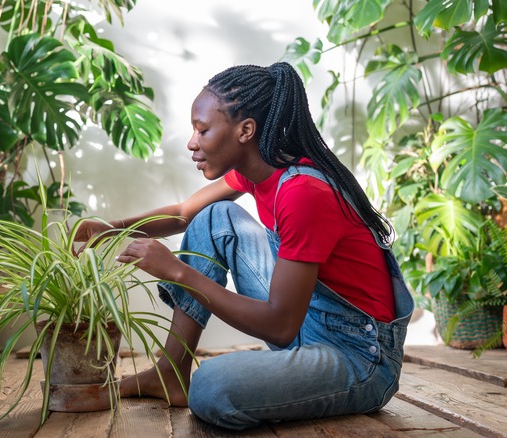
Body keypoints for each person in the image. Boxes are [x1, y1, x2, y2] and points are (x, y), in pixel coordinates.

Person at [74, 62, 414, 430]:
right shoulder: (258, 170)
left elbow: (280, 327)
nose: (192, 143)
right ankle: (170, 372)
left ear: (245, 131)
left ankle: (191, 378)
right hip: (309, 321)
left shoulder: (303, 192)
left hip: (358, 355)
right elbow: (184, 214)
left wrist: (175, 270)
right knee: (213, 218)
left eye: (202, 130)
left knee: (212, 388)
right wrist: (108, 228)